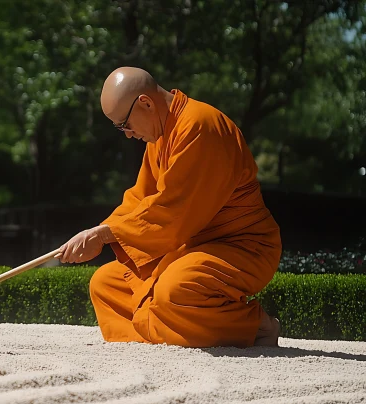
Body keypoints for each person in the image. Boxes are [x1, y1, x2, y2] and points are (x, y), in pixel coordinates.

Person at [55, 66, 282, 348]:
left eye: (124, 125)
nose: (126, 135)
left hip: (242, 246)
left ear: (146, 103)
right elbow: (140, 200)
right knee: (105, 285)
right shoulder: (161, 136)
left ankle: (257, 326)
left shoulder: (200, 126)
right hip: (190, 249)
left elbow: (173, 212)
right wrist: (96, 231)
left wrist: (105, 235)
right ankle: (161, 327)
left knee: (174, 291)